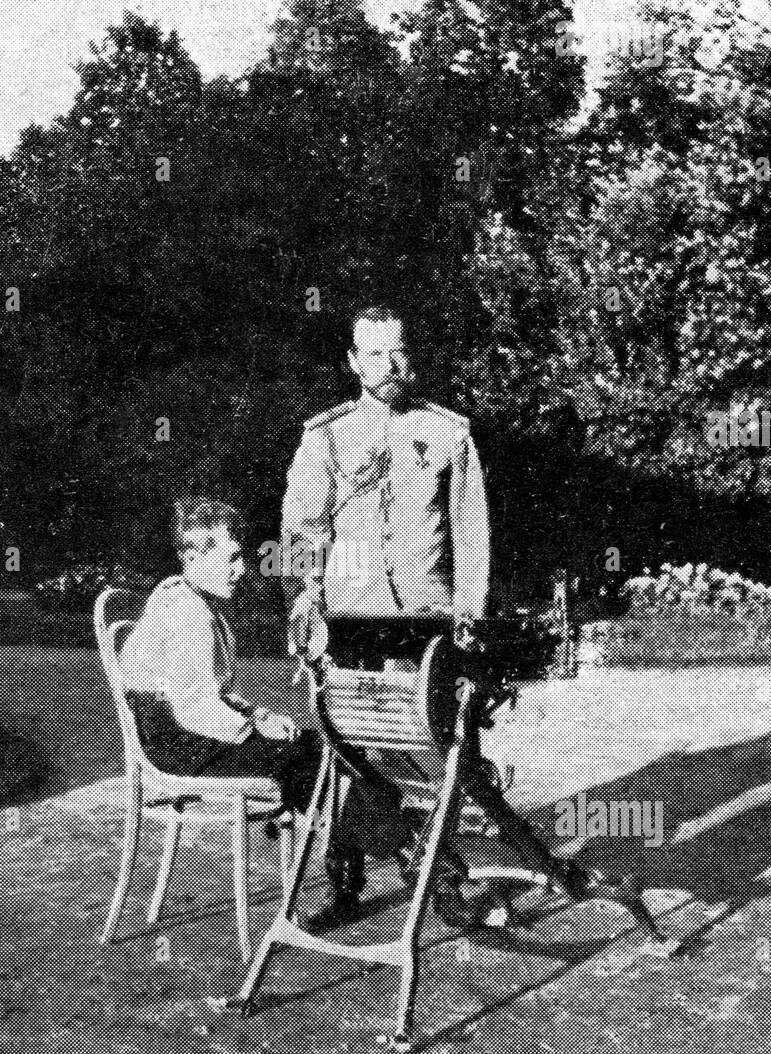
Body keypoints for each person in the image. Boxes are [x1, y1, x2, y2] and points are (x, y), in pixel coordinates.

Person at [280, 303, 492, 923]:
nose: (389, 364)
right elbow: (302, 531)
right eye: (374, 353)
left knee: (449, 743)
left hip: (431, 619)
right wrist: (307, 600)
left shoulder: (449, 432)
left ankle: (445, 872)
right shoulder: (326, 435)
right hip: (352, 617)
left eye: (398, 350)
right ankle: (343, 879)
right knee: (350, 747)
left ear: (412, 356)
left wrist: (470, 615)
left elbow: (471, 534)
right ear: (352, 362)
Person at [120, 498, 324, 819]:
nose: (240, 569)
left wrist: (258, 715)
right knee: (303, 757)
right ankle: (375, 836)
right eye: (231, 559)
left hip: (192, 732)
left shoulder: (201, 605)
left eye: (239, 558)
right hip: (178, 745)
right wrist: (250, 729)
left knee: (314, 745)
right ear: (194, 557)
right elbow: (192, 708)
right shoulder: (187, 613)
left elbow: (216, 693)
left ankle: (354, 838)